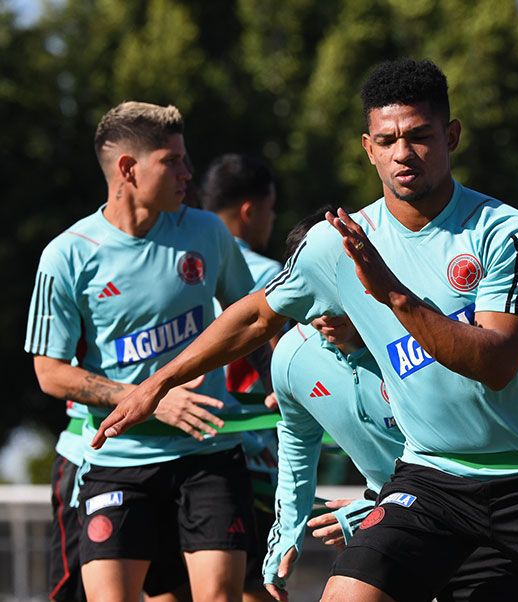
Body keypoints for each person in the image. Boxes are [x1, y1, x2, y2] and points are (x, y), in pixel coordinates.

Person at [92, 60, 518, 602]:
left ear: (453, 136)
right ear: (367, 149)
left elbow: (496, 365)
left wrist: (392, 294)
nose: (405, 153)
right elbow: (255, 315)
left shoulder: (507, 232)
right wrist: (157, 385)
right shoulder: (336, 242)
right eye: (388, 140)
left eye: (420, 135)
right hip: (434, 479)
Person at [26, 101, 263, 602]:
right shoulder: (68, 254)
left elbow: (253, 322)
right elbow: (49, 372)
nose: (188, 172)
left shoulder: (207, 232)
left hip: (208, 451)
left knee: (222, 594)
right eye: (171, 161)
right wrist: (148, 397)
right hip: (118, 459)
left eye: (185, 158)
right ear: (129, 169)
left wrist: (287, 385)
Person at [262, 214, 518, 602]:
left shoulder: (422, 332)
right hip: (400, 518)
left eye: (331, 289)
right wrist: (287, 535)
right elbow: (294, 440)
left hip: (476, 504)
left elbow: (467, 440)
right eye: (309, 294)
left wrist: (373, 507)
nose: (323, 311)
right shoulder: (290, 357)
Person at [200, 153, 283, 602]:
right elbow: (287, 367)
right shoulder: (269, 277)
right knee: (258, 588)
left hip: (179, 456)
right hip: (250, 459)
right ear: (250, 210)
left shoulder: (180, 270)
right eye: (270, 211)